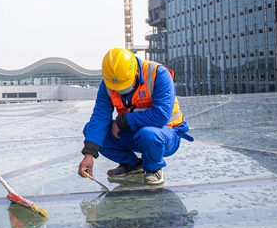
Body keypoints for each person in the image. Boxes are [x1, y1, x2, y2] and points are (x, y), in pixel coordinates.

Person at [78, 47, 193, 185]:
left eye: (125, 85)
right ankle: (132, 165)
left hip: (165, 135)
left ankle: (153, 168)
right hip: (134, 133)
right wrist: (89, 154)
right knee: (93, 131)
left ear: (136, 72)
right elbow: (100, 118)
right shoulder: (109, 83)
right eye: (118, 88)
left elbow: (161, 116)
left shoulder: (158, 74)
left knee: (148, 134)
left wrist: (123, 121)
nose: (121, 90)